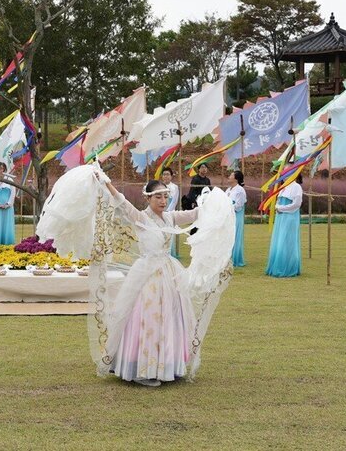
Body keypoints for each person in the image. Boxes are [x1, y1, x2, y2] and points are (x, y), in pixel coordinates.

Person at [39, 165, 235, 386]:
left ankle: (167, 365)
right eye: (158, 197)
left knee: (169, 318)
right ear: (148, 198)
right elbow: (121, 202)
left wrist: (218, 202)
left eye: (165, 196)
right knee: (146, 317)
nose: (162, 201)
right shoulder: (141, 218)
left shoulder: (170, 218)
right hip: (146, 275)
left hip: (168, 273)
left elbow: (195, 214)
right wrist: (106, 182)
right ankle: (142, 367)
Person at [265, 172, 303, 278]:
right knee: (279, 239)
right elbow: (278, 201)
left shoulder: (296, 187)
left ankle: (288, 267)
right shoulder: (283, 187)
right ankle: (277, 266)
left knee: (288, 241)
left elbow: (296, 204)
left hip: (290, 217)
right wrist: (277, 207)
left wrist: (281, 208)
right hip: (280, 217)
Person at [160, 167, 181, 258]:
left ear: (171, 176)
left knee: (169, 233)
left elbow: (174, 201)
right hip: (160, 212)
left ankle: (170, 254)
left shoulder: (174, 187)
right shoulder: (158, 187)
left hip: (169, 213)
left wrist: (167, 212)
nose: (166, 176)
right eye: (164, 174)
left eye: (168, 174)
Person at [228, 170, 246, 267]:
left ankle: (235, 258)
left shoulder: (240, 190)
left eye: (231, 175)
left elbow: (239, 205)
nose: (229, 176)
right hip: (228, 216)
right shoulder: (229, 189)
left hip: (236, 216)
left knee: (235, 236)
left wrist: (229, 207)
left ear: (236, 179)